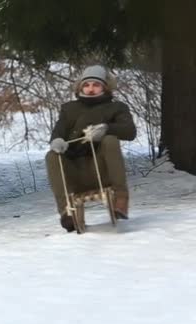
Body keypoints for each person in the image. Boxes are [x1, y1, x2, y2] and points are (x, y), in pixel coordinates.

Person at [45, 65, 137, 232]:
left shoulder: (117, 107)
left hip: (102, 169)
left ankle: (121, 198)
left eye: (96, 85)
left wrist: (106, 129)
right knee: (52, 156)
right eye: (86, 85)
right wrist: (57, 141)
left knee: (110, 140)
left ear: (104, 87)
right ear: (80, 87)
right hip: (75, 171)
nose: (91, 89)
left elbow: (130, 131)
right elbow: (58, 131)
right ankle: (67, 212)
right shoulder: (69, 109)